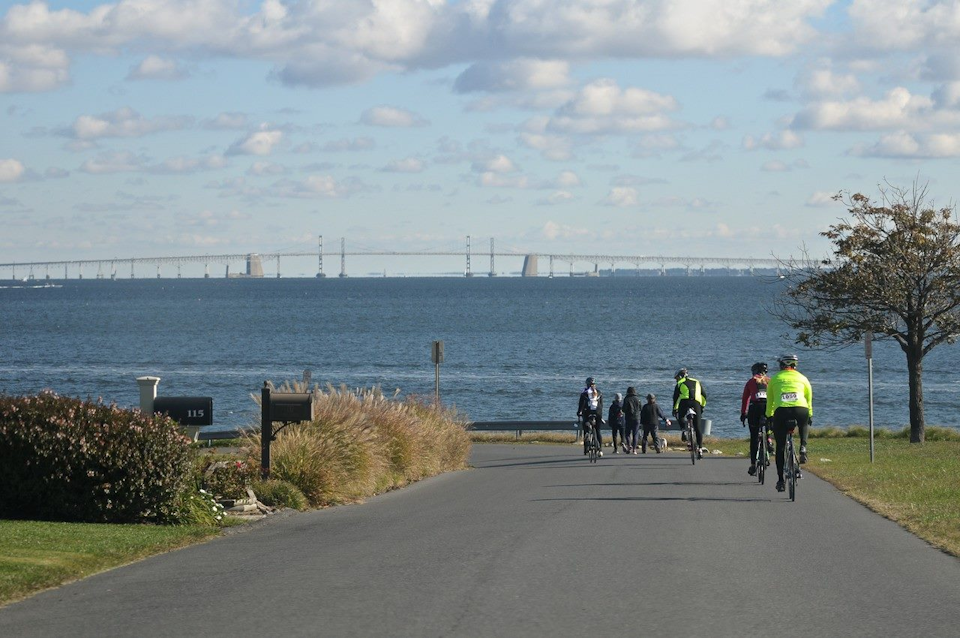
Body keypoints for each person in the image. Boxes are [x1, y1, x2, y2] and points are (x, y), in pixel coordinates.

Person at [765, 354, 813, 493]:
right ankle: (803, 447)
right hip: (801, 409)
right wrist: (809, 413)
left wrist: (769, 416)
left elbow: (770, 401)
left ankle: (780, 481)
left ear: (781, 366)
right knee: (803, 424)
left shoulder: (775, 378)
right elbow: (809, 397)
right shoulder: (803, 378)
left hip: (782, 411)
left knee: (780, 447)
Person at [740, 362, 770, 476]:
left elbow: (745, 400)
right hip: (767, 407)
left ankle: (753, 465)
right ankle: (769, 440)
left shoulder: (750, 381)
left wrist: (743, 413)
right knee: (768, 426)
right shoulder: (769, 381)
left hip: (754, 408)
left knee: (754, 437)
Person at [672, 368, 707, 459]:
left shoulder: (679, 384)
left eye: (677, 378)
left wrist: (674, 409)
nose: (676, 380)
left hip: (684, 403)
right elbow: (704, 395)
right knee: (698, 427)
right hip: (696, 404)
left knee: (681, 416)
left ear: (680, 376)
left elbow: (675, 398)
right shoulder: (697, 381)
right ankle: (700, 448)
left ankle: (683, 430)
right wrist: (702, 407)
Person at [577, 377, 604, 456]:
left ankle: (586, 447)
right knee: (598, 430)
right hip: (598, 413)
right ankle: (600, 450)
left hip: (588, 413)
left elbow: (580, 405)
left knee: (586, 428)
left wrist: (579, 413)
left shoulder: (584, 393)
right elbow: (601, 405)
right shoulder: (599, 392)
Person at [621, 387, 643, 453]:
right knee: (635, 434)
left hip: (629, 418)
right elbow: (640, 408)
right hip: (637, 418)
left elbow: (623, 409)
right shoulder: (637, 399)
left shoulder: (626, 399)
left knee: (627, 433)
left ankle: (629, 445)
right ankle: (634, 449)